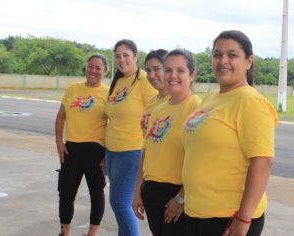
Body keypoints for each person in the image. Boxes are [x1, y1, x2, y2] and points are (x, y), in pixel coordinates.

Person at [182, 30, 278, 236]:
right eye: (217, 54)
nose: (223, 60)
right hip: (198, 211)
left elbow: (262, 162)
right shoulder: (210, 99)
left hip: (228, 217)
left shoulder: (251, 102)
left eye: (232, 55)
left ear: (248, 62)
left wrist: (243, 218)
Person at [133, 48, 201, 236]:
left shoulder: (196, 108)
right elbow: (146, 151)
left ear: (192, 75)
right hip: (152, 190)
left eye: (180, 71)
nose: (172, 76)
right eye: (168, 70)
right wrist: (138, 190)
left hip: (175, 193)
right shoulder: (159, 108)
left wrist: (181, 198)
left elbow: (200, 161)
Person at [104, 39, 157, 236]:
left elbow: (157, 112)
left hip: (132, 150)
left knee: (120, 203)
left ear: (136, 56)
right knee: (119, 204)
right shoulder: (117, 81)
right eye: (117, 56)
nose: (121, 60)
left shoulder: (145, 81)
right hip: (112, 151)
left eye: (126, 55)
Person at [55, 54, 109, 236]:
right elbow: (61, 117)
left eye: (98, 68)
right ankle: (65, 232)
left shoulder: (108, 94)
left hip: (96, 151)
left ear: (105, 71)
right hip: (72, 149)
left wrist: (108, 154)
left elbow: (114, 125)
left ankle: (91, 233)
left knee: (96, 194)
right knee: (66, 194)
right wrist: (59, 143)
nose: (93, 70)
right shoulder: (73, 90)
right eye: (90, 66)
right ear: (85, 68)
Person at [140, 49, 170, 136]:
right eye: (148, 71)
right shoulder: (152, 101)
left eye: (157, 69)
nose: (151, 75)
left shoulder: (178, 102)